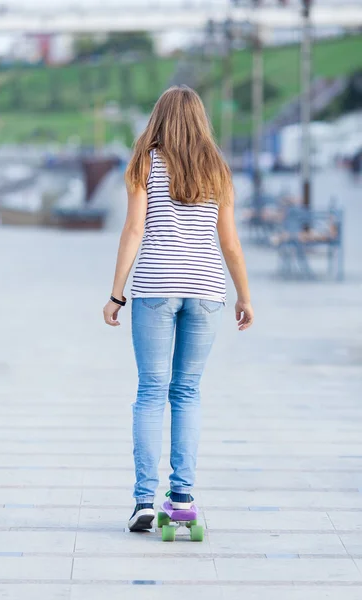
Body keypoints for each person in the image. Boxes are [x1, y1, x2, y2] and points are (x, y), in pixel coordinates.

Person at [103, 85, 254, 531]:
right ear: (200, 120)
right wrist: (244, 295)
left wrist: (116, 294)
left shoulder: (146, 163)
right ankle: (183, 496)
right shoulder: (218, 169)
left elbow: (133, 230)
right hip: (206, 289)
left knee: (151, 391)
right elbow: (230, 243)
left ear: (160, 119)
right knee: (186, 391)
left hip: (156, 286)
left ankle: (144, 501)